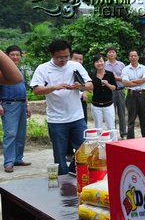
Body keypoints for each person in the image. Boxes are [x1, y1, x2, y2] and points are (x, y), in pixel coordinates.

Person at [30, 39, 93, 174]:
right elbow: (36, 90)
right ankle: (63, 183)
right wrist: (54, 87)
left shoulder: (75, 66)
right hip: (57, 120)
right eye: (59, 57)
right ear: (52, 55)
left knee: (85, 149)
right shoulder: (43, 68)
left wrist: (79, 86)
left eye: (66, 56)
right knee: (60, 155)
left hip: (77, 117)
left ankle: (73, 171)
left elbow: (90, 85)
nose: (63, 60)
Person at [0, 45, 31, 172]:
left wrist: (27, 105)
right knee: (10, 134)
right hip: (9, 104)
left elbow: (24, 89)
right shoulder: (3, 72)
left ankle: (18, 158)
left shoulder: (19, 71)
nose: (15, 57)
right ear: (6, 56)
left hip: (21, 103)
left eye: (18, 55)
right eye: (12, 54)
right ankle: (8, 162)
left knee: (20, 134)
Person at [122, 50, 145, 139]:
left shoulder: (143, 68)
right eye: (131, 56)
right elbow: (125, 83)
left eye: (135, 56)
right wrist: (139, 81)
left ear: (138, 57)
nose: (133, 57)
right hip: (131, 96)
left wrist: (132, 81)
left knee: (144, 118)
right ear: (129, 57)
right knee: (131, 119)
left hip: (142, 95)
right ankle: (130, 139)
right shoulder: (125, 69)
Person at [104, 47, 127, 139]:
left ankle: (123, 133)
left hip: (120, 90)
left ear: (116, 54)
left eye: (113, 52)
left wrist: (116, 78)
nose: (111, 54)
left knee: (122, 112)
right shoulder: (104, 65)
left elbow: (125, 78)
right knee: (110, 113)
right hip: (109, 91)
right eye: (109, 52)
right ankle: (112, 133)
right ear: (107, 54)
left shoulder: (121, 64)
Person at [90, 54, 117, 130]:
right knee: (98, 127)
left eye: (101, 61)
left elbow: (114, 88)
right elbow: (87, 86)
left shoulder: (110, 74)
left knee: (111, 126)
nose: (99, 63)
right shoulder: (91, 75)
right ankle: (99, 142)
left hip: (108, 105)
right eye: (97, 62)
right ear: (94, 64)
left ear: (104, 62)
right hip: (96, 105)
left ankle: (113, 142)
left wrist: (107, 84)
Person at [70, 51, 88, 121]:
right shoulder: (68, 70)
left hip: (81, 98)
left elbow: (87, 82)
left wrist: (85, 92)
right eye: (76, 59)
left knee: (83, 118)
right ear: (70, 59)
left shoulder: (83, 70)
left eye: (80, 59)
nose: (78, 61)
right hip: (70, 99)